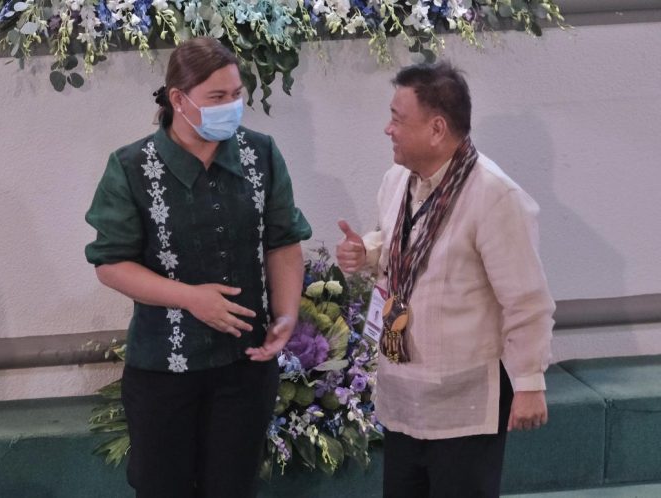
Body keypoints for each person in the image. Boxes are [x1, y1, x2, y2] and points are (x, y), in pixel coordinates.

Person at [85, 37, 311, 498]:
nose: (231, 106)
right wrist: (190, 298)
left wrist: (286, 315)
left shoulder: (260, 154)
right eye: (217, 97)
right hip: (164, 371)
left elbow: (284, 243)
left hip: (245, 366)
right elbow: (111, 264)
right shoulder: (131, 167)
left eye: (237, 95)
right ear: (178, 100)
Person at [336, 61, 555, 498]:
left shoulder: (495, 196)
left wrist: (530, 382)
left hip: (464, 400)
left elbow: (526, 300)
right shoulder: (396, 179)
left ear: (437, 129)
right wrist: (369, 251)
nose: (387, 129)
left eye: (398, 119)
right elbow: (405, 240)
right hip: (403, 391)